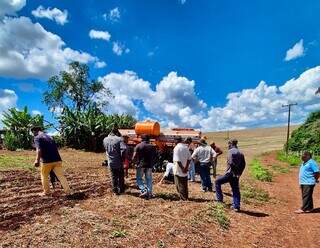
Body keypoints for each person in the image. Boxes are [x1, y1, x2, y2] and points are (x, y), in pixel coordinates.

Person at [31, 126, 71, 196]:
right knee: (61, 176)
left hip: (47, 161)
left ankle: (47, 192)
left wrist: (37, 160)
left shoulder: (37, 137)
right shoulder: (50, 137)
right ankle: (68, 192)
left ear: (35, 131)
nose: (33, 134)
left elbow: (39, 149)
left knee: (44, 176)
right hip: (57, 160)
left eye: (33, 132)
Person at [215, 139, 246, 212]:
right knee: (236, 190)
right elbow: (243, 164)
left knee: (217, 182)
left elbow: (231, 163)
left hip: (230, 173)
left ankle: (219, 200)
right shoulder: (241, 152)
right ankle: (236, 206)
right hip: (236, 175)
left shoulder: (230, 152)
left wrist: (234, 172)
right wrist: (239, 173)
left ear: (231, 144)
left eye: (228, 144)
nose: (228, 146)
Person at [132, 135, 156, 199]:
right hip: (149, 165)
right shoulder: (152, 147)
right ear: (148, 139)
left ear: (141, 139)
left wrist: (134, 163)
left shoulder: (138, 146)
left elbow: (134, 156)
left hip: (141, 165)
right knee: (149, 179)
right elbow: (155, 157)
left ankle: (143, 190)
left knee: (139, 178)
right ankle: (149, 193)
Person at [103, 127, 125, 195]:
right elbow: (123, 149)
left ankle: (115, 191)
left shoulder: (105, 139)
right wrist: (122, 159)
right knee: (120, 176)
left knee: (113, 176)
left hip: (110, 162)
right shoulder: (119, 139)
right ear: (117, 133)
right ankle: (121, 190)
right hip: (119, 162)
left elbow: (105, 149)